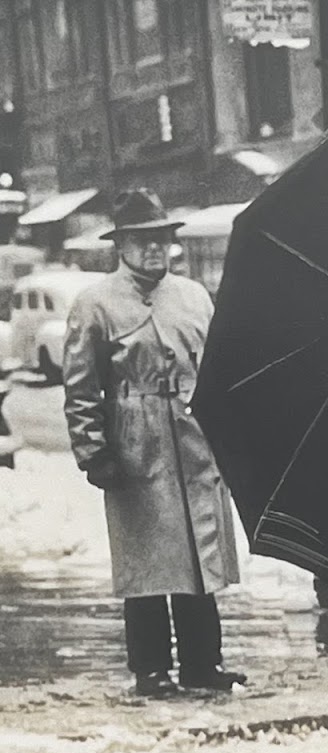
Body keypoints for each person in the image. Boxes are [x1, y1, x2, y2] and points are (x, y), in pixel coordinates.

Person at [64, 190, 245, 697]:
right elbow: (80, 388)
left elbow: (217, 367)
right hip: (135, 440)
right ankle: (150, 669)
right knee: (145, 564)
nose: (153, 251)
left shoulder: (191, 296)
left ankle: (203, 665)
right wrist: (94, 452)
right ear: (120, 245)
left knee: (197, 556)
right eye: (141, 242)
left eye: (161, 240)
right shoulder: (95, 303)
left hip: (193, 437)